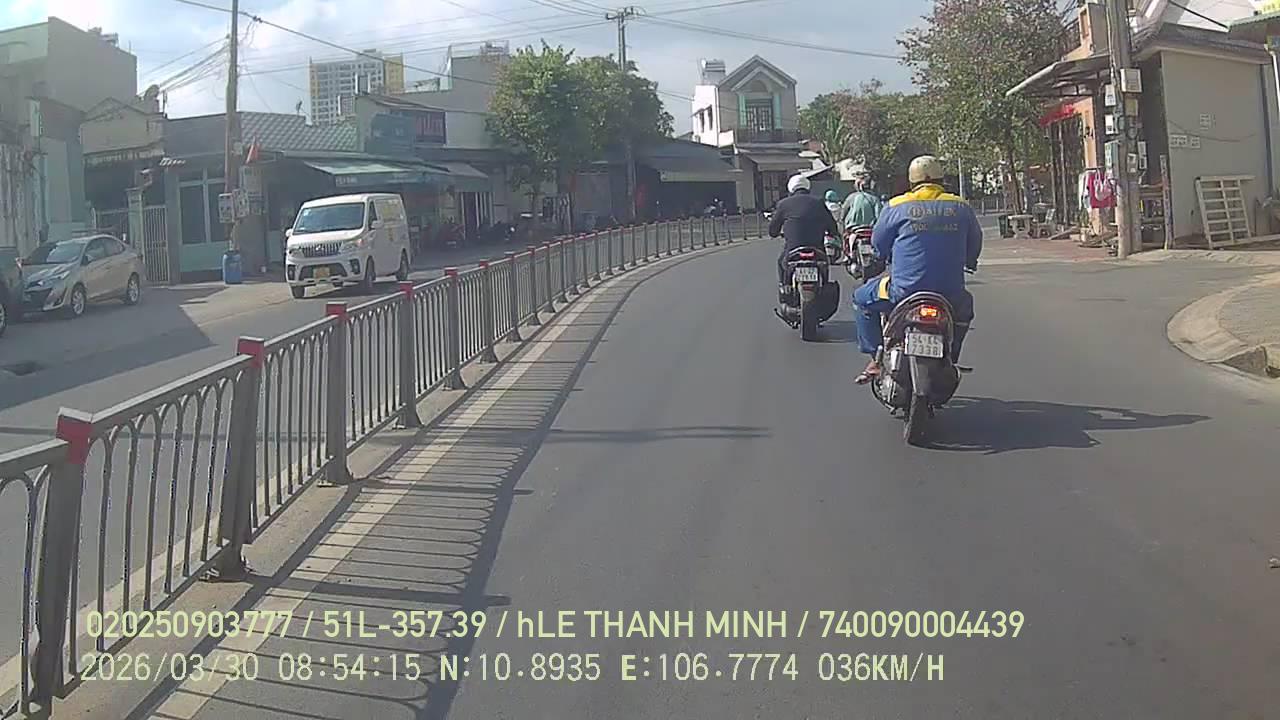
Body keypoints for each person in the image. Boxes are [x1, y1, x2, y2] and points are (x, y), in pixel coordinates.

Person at [853, 156, 982, 383]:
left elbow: (878, 244)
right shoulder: (961, 206)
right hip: (950, 293)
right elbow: (975, 243)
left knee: (861, 299)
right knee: (964, 311)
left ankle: (876, 357)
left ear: (911, 181)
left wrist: (880, 258)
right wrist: (970, 262)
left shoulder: (896, 206)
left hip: (902, 292)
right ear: (941, 179)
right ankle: (951, 357)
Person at [768, 174, 841, 296]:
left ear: (791, 188)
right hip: (817, 249)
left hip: (792, 250)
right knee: (824, 265)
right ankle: (824, 285)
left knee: (781, 262)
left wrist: (776, 233)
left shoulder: (783, 204)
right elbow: (832, 225)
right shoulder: (818, 202)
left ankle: (785, 286)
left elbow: (773, 230)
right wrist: (832, 233)